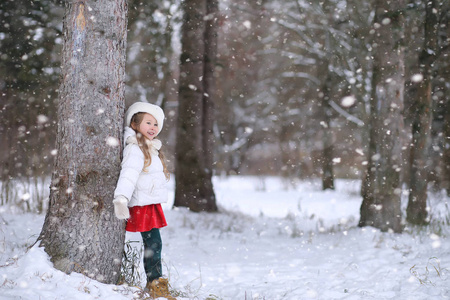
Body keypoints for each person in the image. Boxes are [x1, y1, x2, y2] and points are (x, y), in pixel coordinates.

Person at [112, 102, 175, 299]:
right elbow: (129, 174)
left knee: (154, 244)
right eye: (148, 122)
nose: (153, 128)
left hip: (149, 202)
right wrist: (121, 197)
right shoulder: (135, 148)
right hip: (142, 204)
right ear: (134, 123)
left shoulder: (148, 147)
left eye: (156, 124)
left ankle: (155, 282)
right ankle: (155, 283)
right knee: (154, 244)